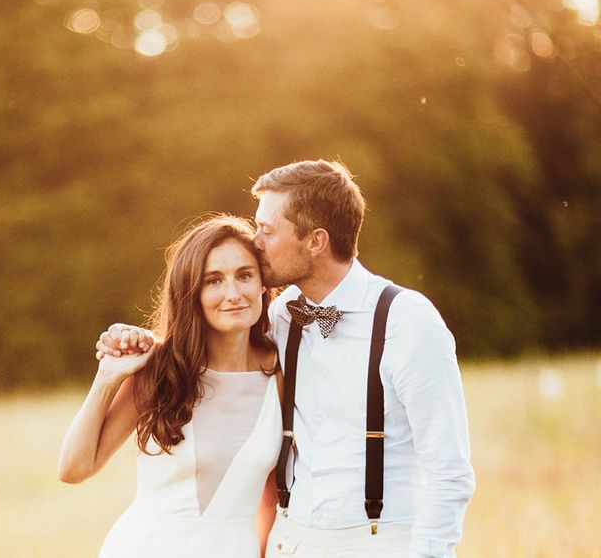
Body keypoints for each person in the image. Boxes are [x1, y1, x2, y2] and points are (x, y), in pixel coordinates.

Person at [97, 159, 475, 558]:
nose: (255, 241)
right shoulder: (281, 313)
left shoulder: (407, 322)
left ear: (316, 241)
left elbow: (449, 472)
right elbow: (210, 346)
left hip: (379, 544)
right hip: (289, 543)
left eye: (267, 230)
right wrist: (142, 344)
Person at [58, 214, 283, 558]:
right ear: (191, 292)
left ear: (263, 285)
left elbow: (272, 496)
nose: (233, 293)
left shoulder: (282, 374)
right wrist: (108, 376)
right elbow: (74, 468)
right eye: (214, 281)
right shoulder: (161, 369)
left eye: (244, 275)